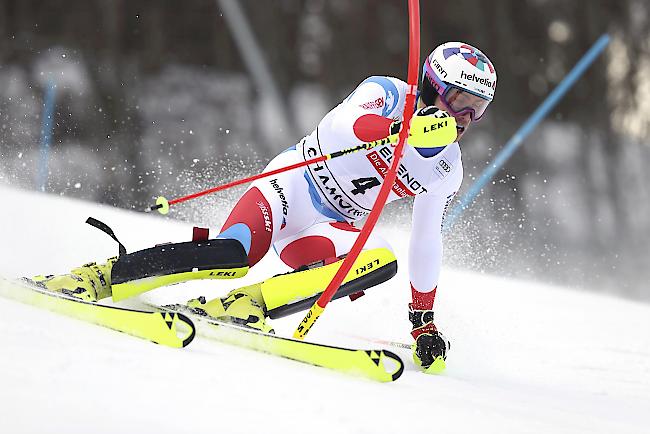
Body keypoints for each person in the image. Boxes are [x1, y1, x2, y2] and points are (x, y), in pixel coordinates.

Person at [29, 41, 497, 371]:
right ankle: (98, 277)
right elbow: (346, 127)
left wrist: (423, 321)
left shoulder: (446, 169)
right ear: (432, 87)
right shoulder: (389, 94)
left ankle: (247, 305)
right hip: (292, 187)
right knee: (234, 255)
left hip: (332, 226)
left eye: (476, 109)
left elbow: (426, 239)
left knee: (382, 259)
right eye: (458, 101)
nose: (463, 119)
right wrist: (402, 130)